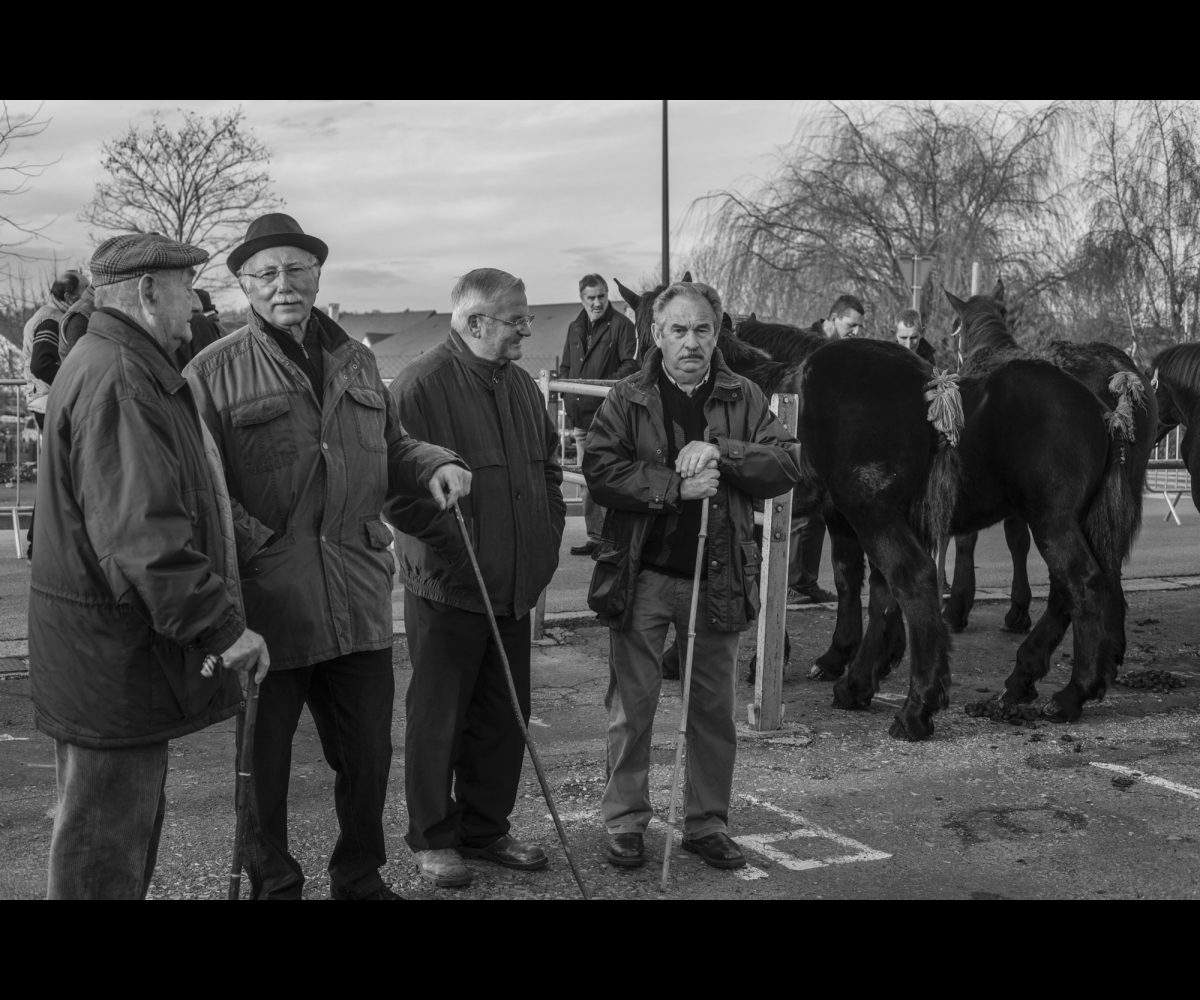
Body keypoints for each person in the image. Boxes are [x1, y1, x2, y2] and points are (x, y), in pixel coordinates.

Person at [184, 213, 471, 901]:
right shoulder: (212, 372)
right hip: (269, 607)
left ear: (316, 273)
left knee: (368, 756)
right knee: (264, 767)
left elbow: (391, 446)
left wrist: (434, 462)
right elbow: (202, 489)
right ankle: (275, 885)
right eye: (266, 273)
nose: (284, 284)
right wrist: (261, 553)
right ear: (244, 286)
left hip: (357, 595)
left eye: (297, 269)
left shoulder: (357, 359)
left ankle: (359, 876)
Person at [28, 233, 271, 899]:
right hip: (112, 664)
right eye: (186, 288)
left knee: (109, 840)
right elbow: (140, 536)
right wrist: (223, 629)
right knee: (103, 852)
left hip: (109, 656)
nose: (196, 304)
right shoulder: (119, 375)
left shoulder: (119, 362)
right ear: (146, 290)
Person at [582, 280, 801, 871]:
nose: (691, 342)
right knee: (632, 707)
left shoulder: (744, 395)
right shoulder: (627, 397)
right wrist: (673, 486)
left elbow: (785, 462)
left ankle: (706, 823)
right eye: (678, 330)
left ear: (717, 332)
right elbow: (600, 469)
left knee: (711, 710)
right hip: (643, 574)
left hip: (717, 575)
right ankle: (625, 821)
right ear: (656, 334)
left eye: (702, 329)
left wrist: (720, 452)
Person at [384, 267, 565, 890]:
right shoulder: (419, 387)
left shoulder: (519, 386)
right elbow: (399, 496)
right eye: (516, 319)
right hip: (450, 586)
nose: (524, 330)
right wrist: (460, 556)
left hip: (515, 583)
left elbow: (546, 473)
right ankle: (433, 839)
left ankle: (487, 828)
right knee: (439, 716)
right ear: (474, 322)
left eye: (525, 318)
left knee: (502, 714)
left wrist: (540, 545)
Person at [788, 294, 865, 606]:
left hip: (823, 437)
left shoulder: (835, 349)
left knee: (816, 513)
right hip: (803, 434)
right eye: (852, 325)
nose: (857, 332)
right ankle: (795, 584)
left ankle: (804, 582)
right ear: (832, 319)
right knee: (802, 512)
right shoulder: (807, 346)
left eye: (861, 326)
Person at [558, 274, 638, 556]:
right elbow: (566, 367)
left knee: (607, 476)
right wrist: (570, 398)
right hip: (581, 416)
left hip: (607, 416)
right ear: (582, 298)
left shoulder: (622, 327)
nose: (596, 302)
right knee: (587, 478)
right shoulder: (574, 328)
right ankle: (596, 537)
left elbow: (630, 366)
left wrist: (602, 394)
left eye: (601, 296)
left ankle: (613, 540)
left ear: (607, 296)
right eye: (590, 298)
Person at [21, 269, 89, 559]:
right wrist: (73, 384)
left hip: (47, 400)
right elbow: (42, 363)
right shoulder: (51, 318)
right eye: (86, 290)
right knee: (61, 470)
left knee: (58, 469)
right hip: (48, 401)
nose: (90, 294)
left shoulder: (51, 315)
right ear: (69, 296)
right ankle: (41, 543)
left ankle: (40, 541)